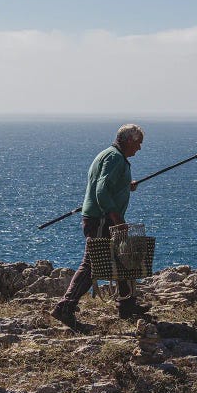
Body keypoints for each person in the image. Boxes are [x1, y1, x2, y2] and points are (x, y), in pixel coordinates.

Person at [51, 124, 150, 330]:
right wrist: (116, 218)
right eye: (138, 142)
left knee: (122, 259)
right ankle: (65, 307)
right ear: (128, 140)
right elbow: (102, 189)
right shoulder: (115, 158)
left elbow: (105, 184)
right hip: (102, 219)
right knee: (92, 264)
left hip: (100, 217)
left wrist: (125, 184)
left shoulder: (108, 154)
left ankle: (127, 306)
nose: (139, 148)